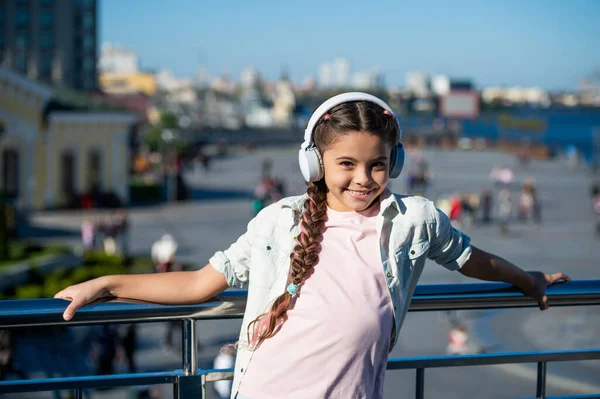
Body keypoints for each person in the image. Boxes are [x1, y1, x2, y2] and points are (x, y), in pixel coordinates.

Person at [55, 92, 569, 399]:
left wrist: (528, 279)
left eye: (377, 164)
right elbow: (198, 282)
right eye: (346, 164)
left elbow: (470, 258)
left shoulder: (413, 220)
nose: (364, 178)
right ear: (315, 163)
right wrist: (107, 283)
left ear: (397, 161)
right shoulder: (280, 222)